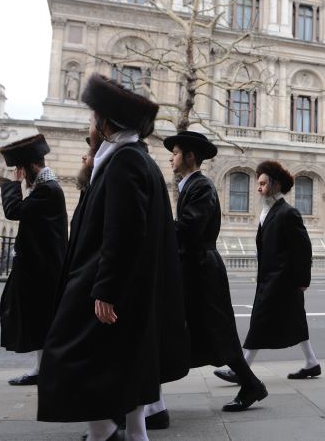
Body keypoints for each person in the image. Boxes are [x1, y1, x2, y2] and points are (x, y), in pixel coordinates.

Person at [37, 74, 189, 441]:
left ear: (105, 123)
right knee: (123, 361)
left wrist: (106, 288)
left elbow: (124, 231)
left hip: (103, 284)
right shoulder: (132, 158)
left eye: (92, 118)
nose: (89, 125)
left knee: (73, 356)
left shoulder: (125, 162)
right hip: (119, 285)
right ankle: (132, 433)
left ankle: (105, 432)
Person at [146, 131, 266, 423]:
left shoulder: (201, 186)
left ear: (189, 156)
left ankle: (250, 385)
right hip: (194, 267)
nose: (171, 158)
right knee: (203, 330)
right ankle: (151, 399)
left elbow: (190, 228)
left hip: (202, 269)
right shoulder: (190, 186)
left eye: (175, 153)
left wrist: (156, 227)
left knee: (215, 330)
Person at [216, 160, 319, 381]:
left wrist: (303, 280)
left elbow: (303, 249)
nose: (258, 188)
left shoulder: (287, 213)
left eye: (263, 183)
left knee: (259, 322)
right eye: (258, 183)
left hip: (281, 280)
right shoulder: (270, 212)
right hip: (271, 278)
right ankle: (312, 363)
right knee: (296, 322)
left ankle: (241, 370)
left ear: (274, 185)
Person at [0, 134, 67, 386]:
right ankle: (42, 370)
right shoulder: (46, 188)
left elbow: (14, 211)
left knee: (43, 321)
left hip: (44, 272)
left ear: (30, 166)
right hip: (40, 269)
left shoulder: (48, 190)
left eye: (20, 169)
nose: (20, 174)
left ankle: (47, 370)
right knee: (40, 322)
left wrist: (13, 185)